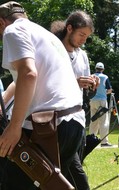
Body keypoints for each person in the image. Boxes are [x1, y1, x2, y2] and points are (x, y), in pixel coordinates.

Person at [0, 1, 86, 189]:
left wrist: (14, 127)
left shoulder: (12, 31)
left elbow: (28, 74)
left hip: (50, 126)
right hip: (74, 122)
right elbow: (25, 78)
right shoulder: (46, 35)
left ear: (1, 22)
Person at [51, 10, 99, 190]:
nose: (83, 40)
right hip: (59, 122)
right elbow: (46, 84)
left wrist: (92, 83)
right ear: (69, 28)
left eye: (86, 37)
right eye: (81, 35)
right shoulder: (53, 50)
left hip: (78, 121)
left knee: (65, 175)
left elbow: (84, 91)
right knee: (75, 178)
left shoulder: (82, 55)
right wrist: (75, 81)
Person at [89, 62, 113, 147]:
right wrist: (104, 93)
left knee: (93, 120)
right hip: (102, 101)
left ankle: (91, 140)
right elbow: (109, 90)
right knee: (103, 121)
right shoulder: (105, 77)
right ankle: (104, 142)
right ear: (102, 69)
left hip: (92, 101)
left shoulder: (91, 76)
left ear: (95, 68)